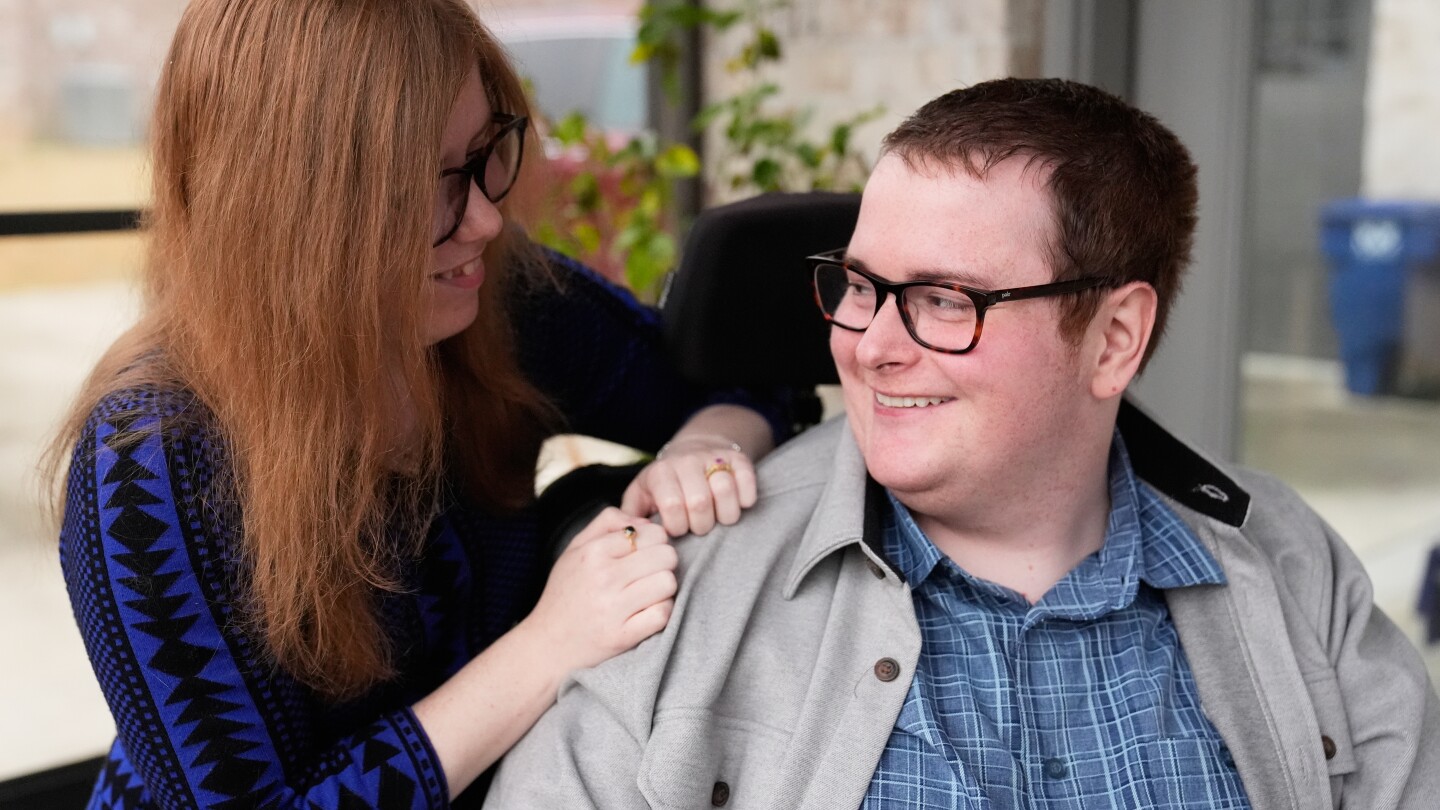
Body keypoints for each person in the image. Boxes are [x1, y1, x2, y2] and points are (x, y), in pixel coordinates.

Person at [486, 78, 1440, 809]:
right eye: (861, 286)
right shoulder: (684, 587)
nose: (871, 346)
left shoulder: (1292, 568)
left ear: (1115, 338)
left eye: (944, 300)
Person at [47, 0, 791, 806]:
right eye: (429, 184)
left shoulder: (492, 300)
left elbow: (745, 379)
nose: (485, 218)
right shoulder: (147, 466)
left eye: (482, 154)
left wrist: (704, 446)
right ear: (290, 211)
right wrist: (548, 644)